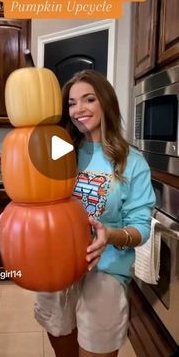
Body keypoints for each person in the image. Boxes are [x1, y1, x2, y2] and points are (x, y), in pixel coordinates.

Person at [34, 69, 156, 357]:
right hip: (56, 265)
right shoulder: (58, 151)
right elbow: (33, 195)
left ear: (106, 102)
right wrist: (17, 216)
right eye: (72, 103)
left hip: (106, 269)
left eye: (89, 99)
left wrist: (110, 235)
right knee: (60, 339)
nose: (79, 110)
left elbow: (140, 228)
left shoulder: (132, 162)